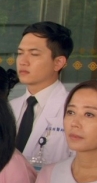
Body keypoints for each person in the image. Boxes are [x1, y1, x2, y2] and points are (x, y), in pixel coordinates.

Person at [11, 21, 74, 168]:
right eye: (20, 53)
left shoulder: (72, 110)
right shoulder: (9, 108)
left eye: (34, 54)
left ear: (58, 62)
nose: (23, 61)